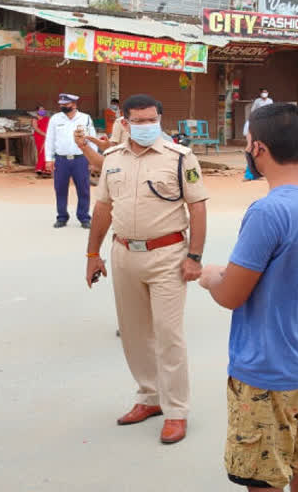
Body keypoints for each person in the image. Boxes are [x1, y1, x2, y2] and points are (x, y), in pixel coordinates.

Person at [199, 103, 298, 492]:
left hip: (266, 374)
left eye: (248, 144)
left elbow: (232, 294)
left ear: (259, 149)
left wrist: (211, 276)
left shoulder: (268, 211)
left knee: (263, 479)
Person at [86, 94, 209, 445]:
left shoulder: (179, 158)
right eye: (137, 121)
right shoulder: (111, 159)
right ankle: (149, 397)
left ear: (159, 119)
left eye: (150, 120)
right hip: (124, 253)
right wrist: (93, 253)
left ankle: (176, 411)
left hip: (168, 255)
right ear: (124, 122)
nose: (144, 126)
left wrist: (194, 257)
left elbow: (197, 208)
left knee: (168, 334)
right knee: (134, 333)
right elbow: (103, 209)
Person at [45, 93, 97, 229]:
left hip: (80, 159)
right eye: (61, 104)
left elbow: (92, 139)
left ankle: (84, 217)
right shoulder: (55, 119)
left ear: (74, 104)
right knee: (60, 189)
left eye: (66, 104)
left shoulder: (85, 118)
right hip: (61, 160)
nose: (63, 106)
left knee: (83, 189)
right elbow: (50, 139)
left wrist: (93, 159)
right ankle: (61, 217)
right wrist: (48, 159)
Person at [243, 88, 273, 181]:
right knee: (250, 149)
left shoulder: (270, 103)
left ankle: (258, 173)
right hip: (254, 132)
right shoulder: (253, 119)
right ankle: (250, 174)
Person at [32, 104, 50, 176]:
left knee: (46, 152)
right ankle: (39, 168)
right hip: (39, 137)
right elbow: (36, 128)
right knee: (41, 151)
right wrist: (44, 134)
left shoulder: (47, 118)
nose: (43, 111)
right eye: (41, 109)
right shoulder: (35, 119)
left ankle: (44, 168)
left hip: (47, 136)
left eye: (43, 109)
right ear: (37, 111)